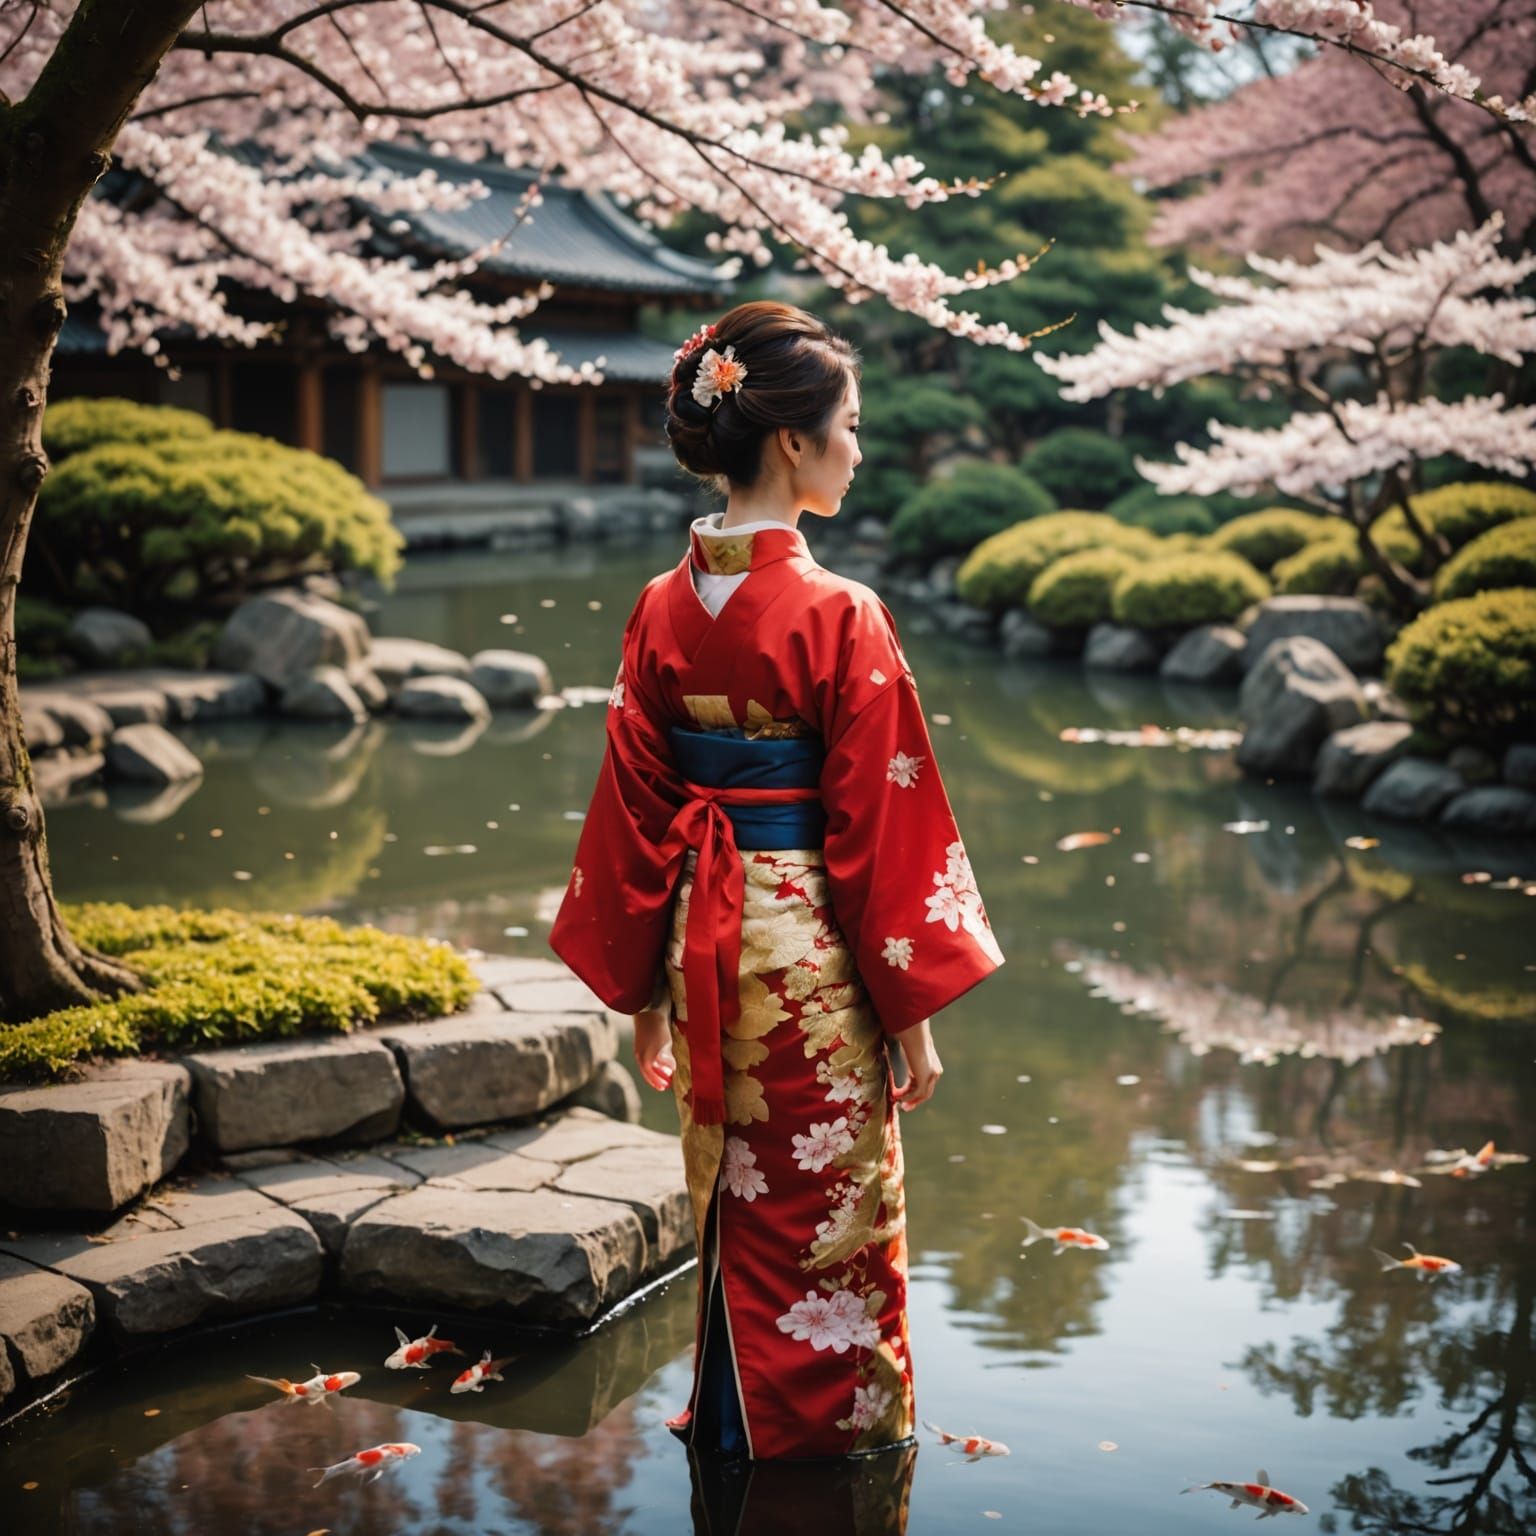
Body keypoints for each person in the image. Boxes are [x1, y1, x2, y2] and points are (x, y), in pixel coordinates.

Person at [549, 300, 1003, 1463]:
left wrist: (649, 987)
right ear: (792, 444)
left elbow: (636, 811)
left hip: (700, 939)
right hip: (808, 957)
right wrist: (913, 1018)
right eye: (850, 426)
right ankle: (828, 1452)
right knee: (827, 1202)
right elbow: (878, 827)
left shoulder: (659, 606)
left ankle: (734, 1432)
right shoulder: (839, 611)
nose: (860, 448)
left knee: (732, 1193)